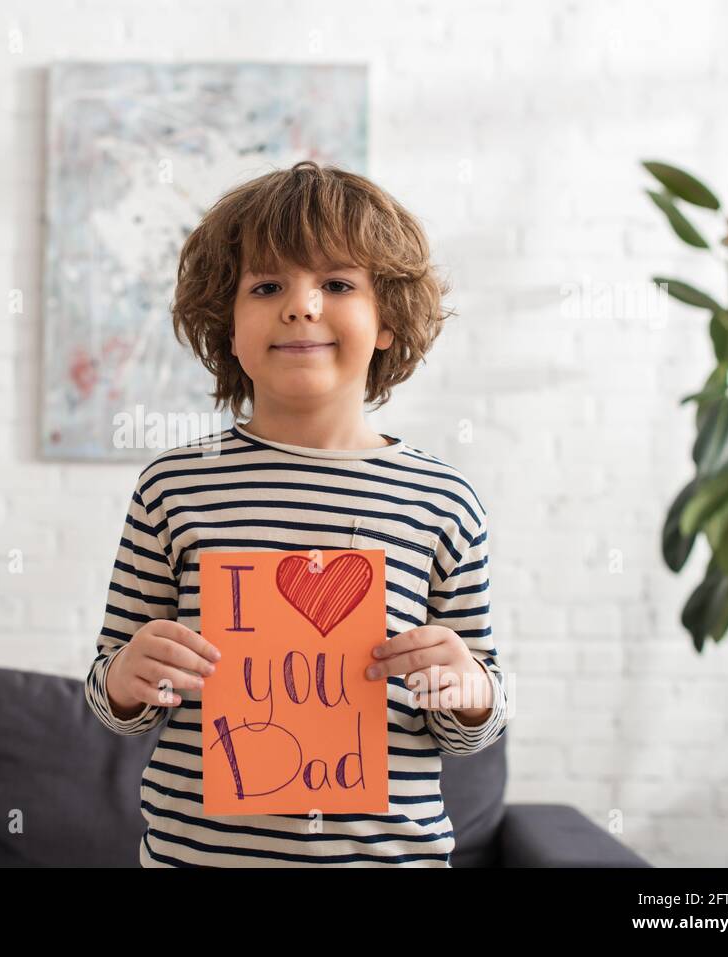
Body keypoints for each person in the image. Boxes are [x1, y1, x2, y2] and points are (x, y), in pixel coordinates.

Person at [84, 159, 507, 866]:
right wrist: (129, 676)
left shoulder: (443, 502)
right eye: (267, 285)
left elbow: (477, 716)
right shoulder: (174, 488)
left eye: (337, 284)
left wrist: (466, 688)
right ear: (228, 325)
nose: (301, 305)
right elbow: (111, 694)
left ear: (388, 323)